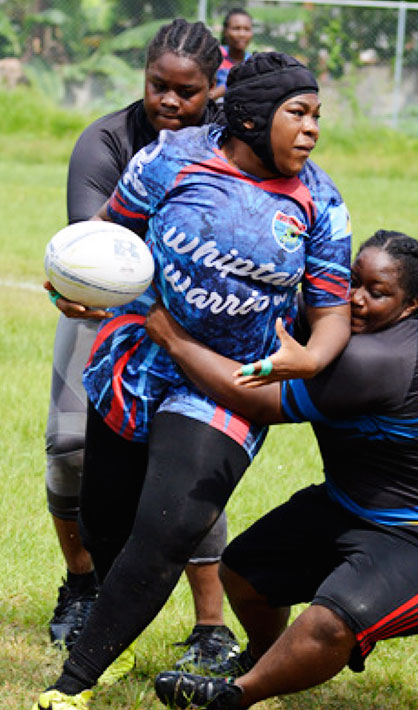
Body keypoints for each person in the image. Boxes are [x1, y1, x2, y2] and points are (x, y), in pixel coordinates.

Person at [35, 52, 352, 710]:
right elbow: (108, 236)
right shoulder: (170, 161)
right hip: (137, 357)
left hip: (229, 385)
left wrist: (313, 359)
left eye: (317, 115)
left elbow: (332, 309)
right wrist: (72, 287)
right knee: (107, 524)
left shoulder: (319, 201)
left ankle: (72, 687)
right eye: (299, 114)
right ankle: (113, 611)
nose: (313, 129)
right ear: (252, 115)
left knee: (170, 528)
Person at [137, 230, 418, 709]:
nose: (356, 300)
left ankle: (234, 697)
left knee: (331, 622)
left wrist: (173, 339)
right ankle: (261, 661)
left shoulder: (378, 359)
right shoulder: (356, 328)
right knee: (243, 572)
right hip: (350, 503)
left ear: (411, 305)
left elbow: (256, 399)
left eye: (377, 292)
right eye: (352, 281)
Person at [45, 17, 240, 671]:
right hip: (101, 315)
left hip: (189, 330)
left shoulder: (230, 150)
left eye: (186, 91)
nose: (168, 101)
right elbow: (94, 252)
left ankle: (211, 625)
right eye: (159, 85)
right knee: (71, 450)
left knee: (185, 467)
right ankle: (84, 585)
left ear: (213, 88)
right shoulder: (104, 141)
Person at [209, 8, 253, 102]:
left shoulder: (253, 63)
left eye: (247, 29)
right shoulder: (214, 57)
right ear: (225, 31)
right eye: (236, 29)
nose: (242, 34)